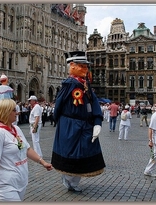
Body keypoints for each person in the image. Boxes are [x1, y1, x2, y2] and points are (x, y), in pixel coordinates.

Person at [51, 51, 105, 192]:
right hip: (70, 124)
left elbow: (94, 103)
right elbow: (59, 104)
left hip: (85, 124)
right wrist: (60, 123)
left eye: (86, 66)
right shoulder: (69, 84)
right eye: (81, 66)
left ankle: (74, 181)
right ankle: (68, 179)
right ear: (72, 66)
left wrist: (97, 121)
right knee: (69, 152)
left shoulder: (86, 85)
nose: (85, 69)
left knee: (84, 152)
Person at [0, 99, 52, 202]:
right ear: (5, 112)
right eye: (14, 110)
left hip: (20, 182)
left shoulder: (16, 129)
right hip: (5, 184)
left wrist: (42, 162)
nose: (17, 112)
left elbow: (27, 149)